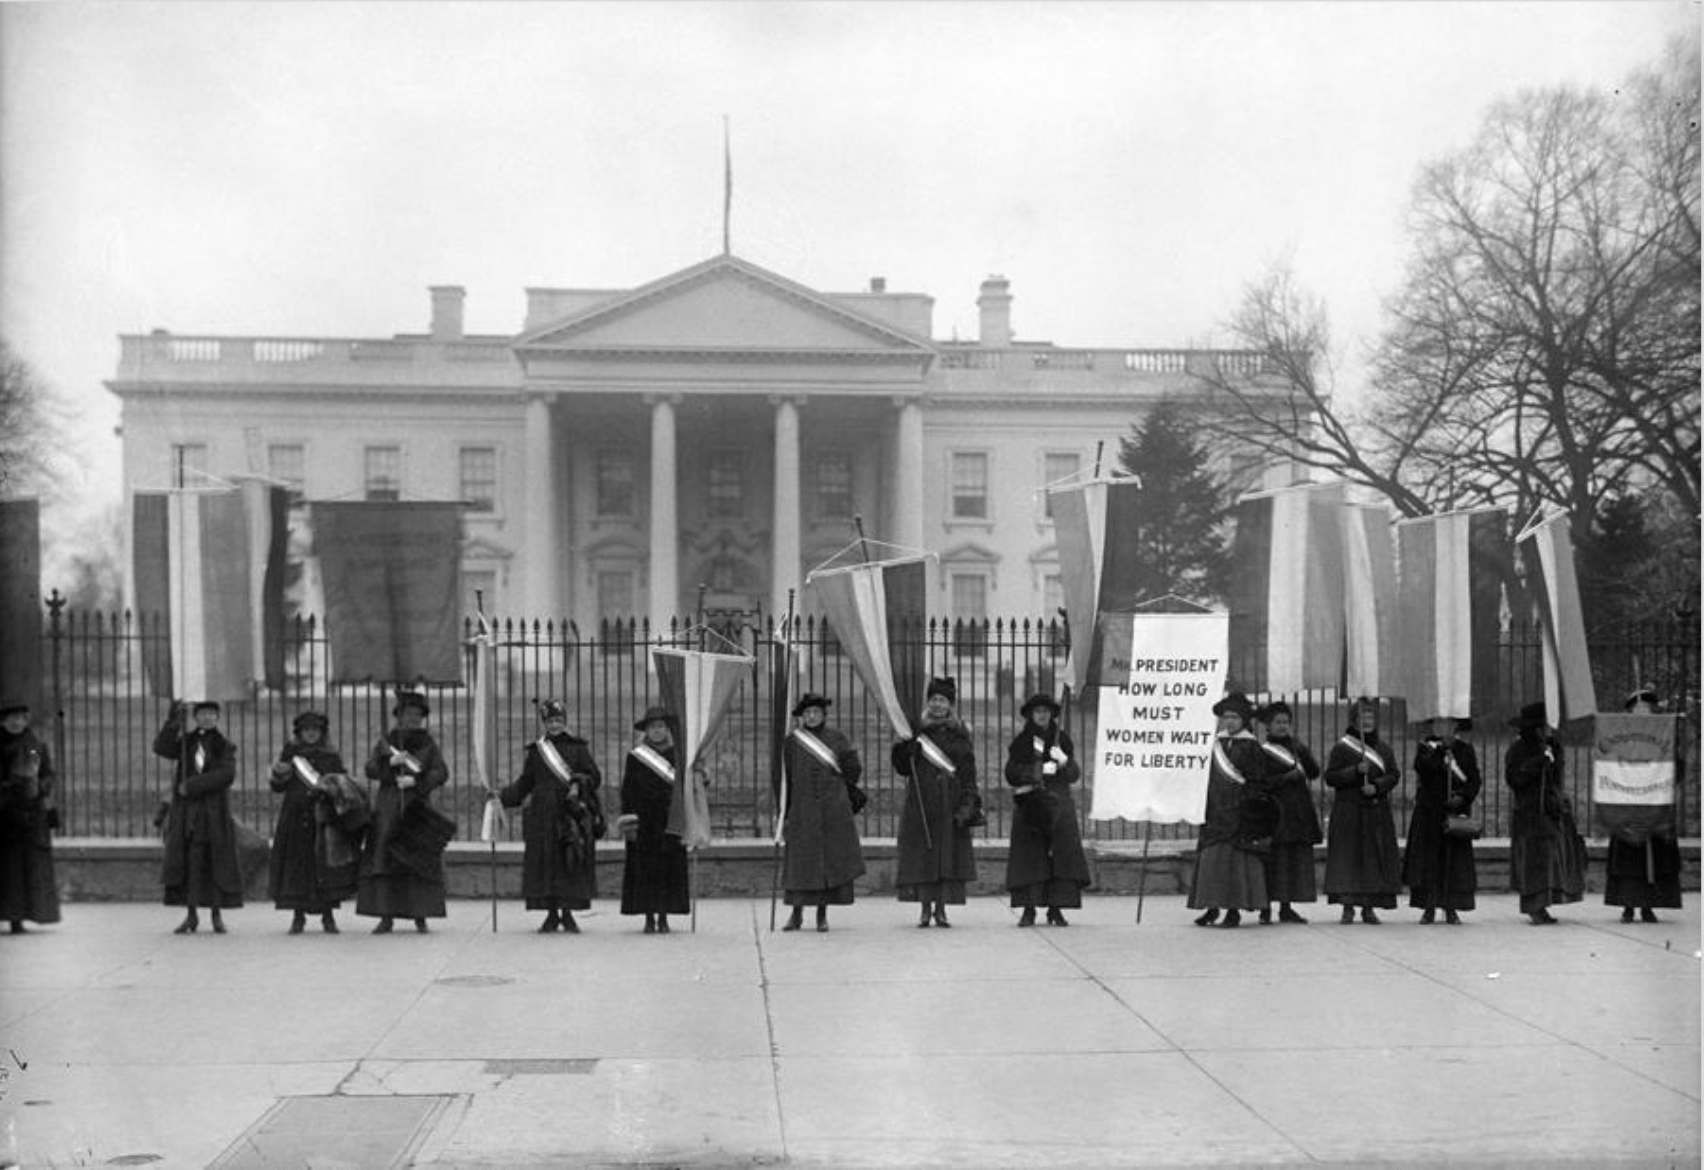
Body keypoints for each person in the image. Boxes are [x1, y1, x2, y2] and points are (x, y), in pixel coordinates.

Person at [501, 699, 604, 934]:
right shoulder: (537, 751)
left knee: (568, 861)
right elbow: (526, 782)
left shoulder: (578, 748)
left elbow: (594, 777)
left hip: (570, 812)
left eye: (558, 721)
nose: (555, 725)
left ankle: (568, 914)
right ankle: (551, 914)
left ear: (565, 722)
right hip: (543, 814)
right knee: (546, 864)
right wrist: (502, 797)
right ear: (544, 724)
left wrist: (579, 781)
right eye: (550, 722)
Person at [358, 690, 451, 933]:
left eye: (417, 715)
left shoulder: (428, 744)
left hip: (416, 808)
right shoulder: (387, 742)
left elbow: (440, 773)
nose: (412, 719)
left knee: (417, 861)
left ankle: (420, 915)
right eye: (408, 714)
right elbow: (369, 769)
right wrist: (389, 764)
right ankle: (386, 915)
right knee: (386, 861)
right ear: (398, 716)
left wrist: (417, 783)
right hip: (388, 808)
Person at [892, 677, 980, 928]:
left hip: (949, 800)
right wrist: (903, 750)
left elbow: (967, 771)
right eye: (933, 700)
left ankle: (941, 909)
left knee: (945, 855)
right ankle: (924, 908)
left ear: (950, 704)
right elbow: (902, 768)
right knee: (923, 855)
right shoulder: (914, 731)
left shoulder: (960, 733)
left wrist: (968, 802)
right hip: (921, 799)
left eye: (942, 700)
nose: (937, 705)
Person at [779, 694, 867, 932]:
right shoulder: (792, 742)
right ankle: (796, 914)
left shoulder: (837, 738)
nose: (811, 716)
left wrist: (838, 787)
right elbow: (785, 778)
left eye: (816, 712)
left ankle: (821, 915)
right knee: (801, 864)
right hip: (802, 810)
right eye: (807, 713)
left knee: (827, 865)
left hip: (831, 809)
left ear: (824, 715)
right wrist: (784, 813)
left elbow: (852, 768)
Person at [154, 700, 243, 934]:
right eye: (203, 714)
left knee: (214, 861)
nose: (207, 718)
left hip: (213, 813)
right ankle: (191, 914)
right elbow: (162, 748)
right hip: (188, 814)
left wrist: (191, 786)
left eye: (212, 714)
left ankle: (216, 914)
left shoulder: (224, 745)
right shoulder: (186, 743)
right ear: (195, 717)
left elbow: (226, 774)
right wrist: (173, 720)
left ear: (217, 718)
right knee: (190, 862)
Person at [267, 710, 358, 934]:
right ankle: (298, 917)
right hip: (296, 817)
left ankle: (328, 916)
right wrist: (279, 774)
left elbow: (342, 784)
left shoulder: (331, 756)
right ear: (299, 733)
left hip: (324, 817)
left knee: (324, 867)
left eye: (315, 730)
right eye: (306, 730)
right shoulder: (290, 753)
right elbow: (278, 788)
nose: (310, 734)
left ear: (322, 733)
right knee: (297, 866)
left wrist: (332, 786)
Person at [1003, 693, 1089, 926]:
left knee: (1059, 857)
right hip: (1031, 805)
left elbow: (1073, 775)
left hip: (1058, 804)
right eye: (1037, 711)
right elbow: (1011, 773)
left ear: (1051, 715)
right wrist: (1037, 771)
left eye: (1046, 711)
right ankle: (1028, 909)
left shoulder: (1061, 740)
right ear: (1031, 715)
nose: (1042, 715)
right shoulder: (1021, 742)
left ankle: (1056, 908)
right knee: (1031, 859)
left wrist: (1063, 762)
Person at [1187, 692, 1270, 928]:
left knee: (1234, 862)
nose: (1230, 721)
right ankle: (1211, 906)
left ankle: (1233, 910)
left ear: (1244, 720)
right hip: (1214, 810)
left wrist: (1245, 803)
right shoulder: (1215, 743)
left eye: (1234, 717)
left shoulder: (1252, 747)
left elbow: (1257, 781)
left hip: (1238, 812)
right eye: (1226, 717)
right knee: (1211, 860)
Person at [1604, 689, 1684, 924]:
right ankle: (1627, 906)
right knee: (1628, 859)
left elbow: (1676, 767)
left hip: (1655, 805)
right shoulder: (1620, 737)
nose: (1643, 713)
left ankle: (1649, 905)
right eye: (1638, 709)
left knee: (1656, 858)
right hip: (1628, 806)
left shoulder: (1665, 737)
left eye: (1648, 710)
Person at [1322, 696, 1402, 924]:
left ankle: (1369, 907)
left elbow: (1394, 775)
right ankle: (1347, 907)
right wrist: (1355, 771)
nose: (1367, 721)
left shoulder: (1384, 749)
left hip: (1375, 810)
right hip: (1349, 811)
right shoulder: (1342, 747)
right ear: (1354, 720)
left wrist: (1376, 786)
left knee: (1371, 859)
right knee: (1348, 858)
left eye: (1371, 716)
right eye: (1362, 717)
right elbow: (1331, 777)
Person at [1505, 701, 1586, 925]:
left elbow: (1556, 778)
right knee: (1533, 860)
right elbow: (1514, 778)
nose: (1547, 731)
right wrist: (1536, 764)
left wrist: (1552, 757)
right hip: (1529, 812)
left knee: (1550, 858)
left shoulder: (1551, 747)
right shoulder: (1518, 749)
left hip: (1550, 810)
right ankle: (1533, 906)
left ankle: (1545, 902)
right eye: (1543, 727)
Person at [1401, 715, 1481, 925]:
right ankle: (1428, 908)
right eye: (1437, 723)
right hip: (1429, 812)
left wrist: (1463, 798)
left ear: (1455, 726)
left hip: (1454, 812)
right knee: (1428, 863)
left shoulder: (1465, 749)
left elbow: (1474, 779)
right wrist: (1440, 752)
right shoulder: (1426, 748)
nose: (1441, 727)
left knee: (1454, 863)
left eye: (1446, 723)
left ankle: (1451, 907)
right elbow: (1424, 770)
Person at [619, 706, 690, 933]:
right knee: (646, 870)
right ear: (646, 731)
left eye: (661, 726)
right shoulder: (636, 757)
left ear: (666, 729)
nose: (657, 731)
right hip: (644, 820)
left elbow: (687, 787)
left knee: (668, 869)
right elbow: (627, 789)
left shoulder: (678, 755)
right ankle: (649, 917)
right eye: (652, 727)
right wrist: (629, 818)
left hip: (670, 819)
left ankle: (664, 916)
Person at [1255, 701, 1322, 924]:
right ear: (1268, 726)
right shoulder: (1263, 751)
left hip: (1297, 812)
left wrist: (1303, 752)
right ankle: (1265, 909)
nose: (1282, 726)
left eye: (1286, 722)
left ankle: (1286, 907)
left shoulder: (1296, 748)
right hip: (1274, 813)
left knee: (1290, 861)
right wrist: (1285, 778)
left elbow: (1313, 773)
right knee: (1273, 861)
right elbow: (1260, 783)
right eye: (1277, 722)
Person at [0, 699, 61, 933]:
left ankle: (19, 917)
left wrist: (40, 787)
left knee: (24, 868)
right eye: (11, 718)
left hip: (30, 815)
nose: (16, 723)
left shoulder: (35, 745)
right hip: (5, 814)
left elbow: (47, 774)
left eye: (21, 718)